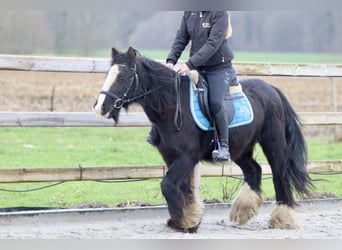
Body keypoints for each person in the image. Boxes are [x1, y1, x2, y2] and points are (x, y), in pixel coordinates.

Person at [148, 11, 237, 161]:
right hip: (198, 68)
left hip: (219, 69)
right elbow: (181, 38)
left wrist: (190, 64)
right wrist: (171, 60)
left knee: (215, 102)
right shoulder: (190, 13)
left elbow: (213, 43)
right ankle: (157, 133)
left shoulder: (219, 13)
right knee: (173, 93)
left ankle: (223, 147)